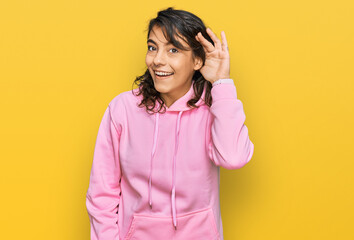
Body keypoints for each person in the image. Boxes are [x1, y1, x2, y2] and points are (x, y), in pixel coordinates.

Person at [85, 7, 254, 240]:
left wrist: (222, 83)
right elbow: (101, 194)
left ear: (197, 60)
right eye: (152, 47)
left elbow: (234, 158)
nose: (157, 60)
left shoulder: (213, 109)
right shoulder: (122, 109)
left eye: (173, 50)